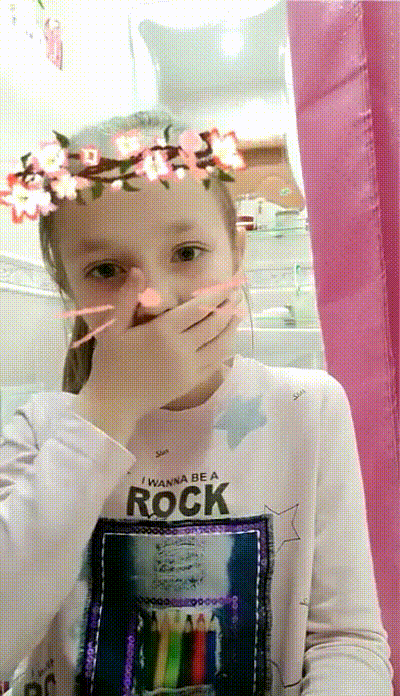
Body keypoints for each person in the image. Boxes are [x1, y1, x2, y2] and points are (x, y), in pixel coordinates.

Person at [0, 110, 394, 695]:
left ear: (236, 254)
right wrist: (108, 409)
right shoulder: (42, 430)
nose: (154, 300)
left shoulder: (307, 408)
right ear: (70, 293)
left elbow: (347, 642)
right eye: (106, 270)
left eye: (187, 253)